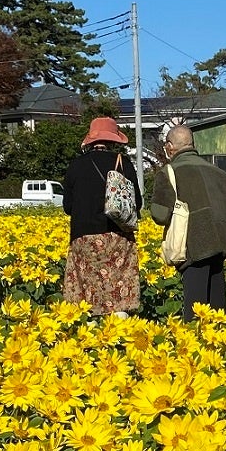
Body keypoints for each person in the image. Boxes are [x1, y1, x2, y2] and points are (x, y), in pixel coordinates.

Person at [148, 124, 226, 316]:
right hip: (221, 242)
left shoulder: (170, 172)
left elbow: (160, 215)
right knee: (218, 309)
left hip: (193, 246)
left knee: (196, 312)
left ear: (170, 146)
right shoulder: (219, 173)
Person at [60, 116, 141, 315]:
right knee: (118, 284)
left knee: (86, 286)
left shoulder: (76, 166)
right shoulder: (124, 164)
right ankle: (120, 325)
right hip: (116, 234)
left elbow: (67, 207)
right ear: (114, 140)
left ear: (91, 140)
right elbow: (137, 203)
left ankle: (89, 329)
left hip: (83, 235)